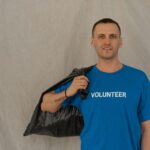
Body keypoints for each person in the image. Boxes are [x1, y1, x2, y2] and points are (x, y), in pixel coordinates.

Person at [40, 18, 150, 150]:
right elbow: (45, 105)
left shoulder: (138, 78)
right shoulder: (82, 79)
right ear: (93, 41)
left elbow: (147, 128)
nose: (107, 42)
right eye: (101, 36)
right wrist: (68, 92)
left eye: (113, 36)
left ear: (120, 41)